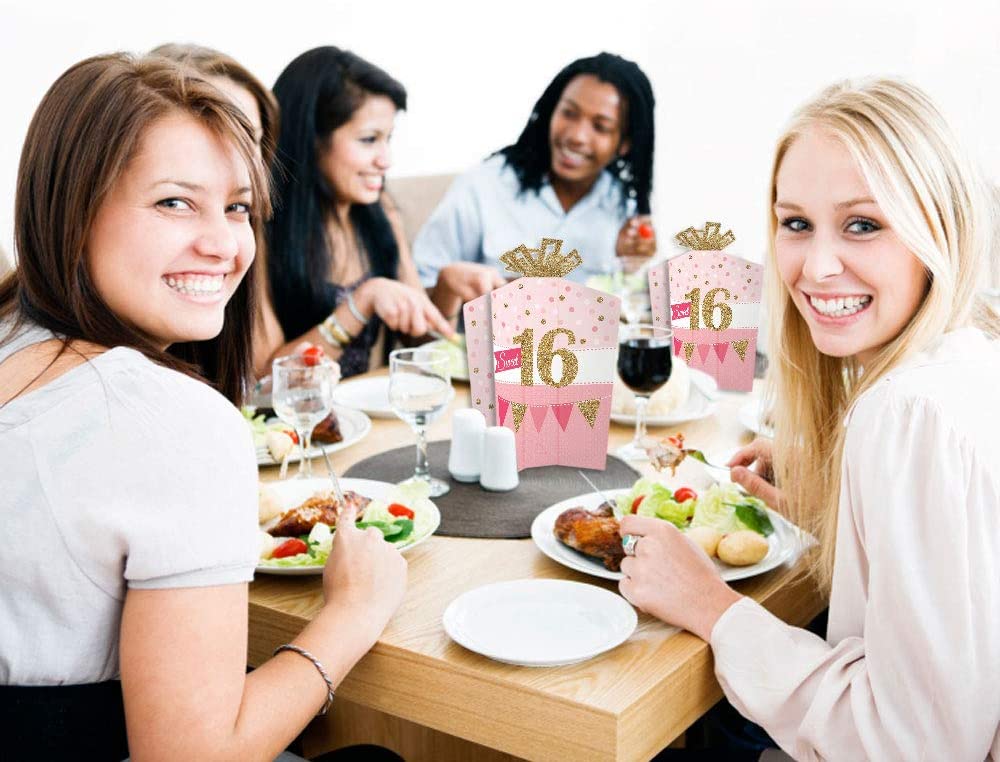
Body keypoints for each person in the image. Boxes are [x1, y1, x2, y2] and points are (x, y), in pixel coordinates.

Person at [0, 53, 407, 760]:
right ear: (72, 209)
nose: (224, 245)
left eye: (238, 208)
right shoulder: (171, 421)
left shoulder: (13, 327)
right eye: (173, 202)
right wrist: (354, 612)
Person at [619, 78, 1000, 760]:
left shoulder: (907, 411)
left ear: (940, 229)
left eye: (863, 224)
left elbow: (915, 745)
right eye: (795, 224)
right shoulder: (971, 361)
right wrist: (835, 506)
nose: (817, 268)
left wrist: (708, 603)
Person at [413, 51, 657, 324]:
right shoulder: (483, 186)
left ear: (625, 143)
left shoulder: (624, 207)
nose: (577, 136)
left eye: (600, 127)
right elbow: (419, 301)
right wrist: (455, 285)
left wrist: (631, 265)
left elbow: (629, 315)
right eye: (568, 113)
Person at [266, 46, 452, 378]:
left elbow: (419, 339)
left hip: (369, 408)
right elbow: (266, 377)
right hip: (295, 412)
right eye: (368, 140)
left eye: (388, 139)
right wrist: (359, 304)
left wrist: (450, 288)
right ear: (311, 139)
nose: (386, 160)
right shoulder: (259, 229)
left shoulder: (381, 212)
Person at [150, 42, 285, 378]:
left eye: (250, 138)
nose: (238, 154)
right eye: (174, 203)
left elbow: (258, 362)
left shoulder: (240, 231)